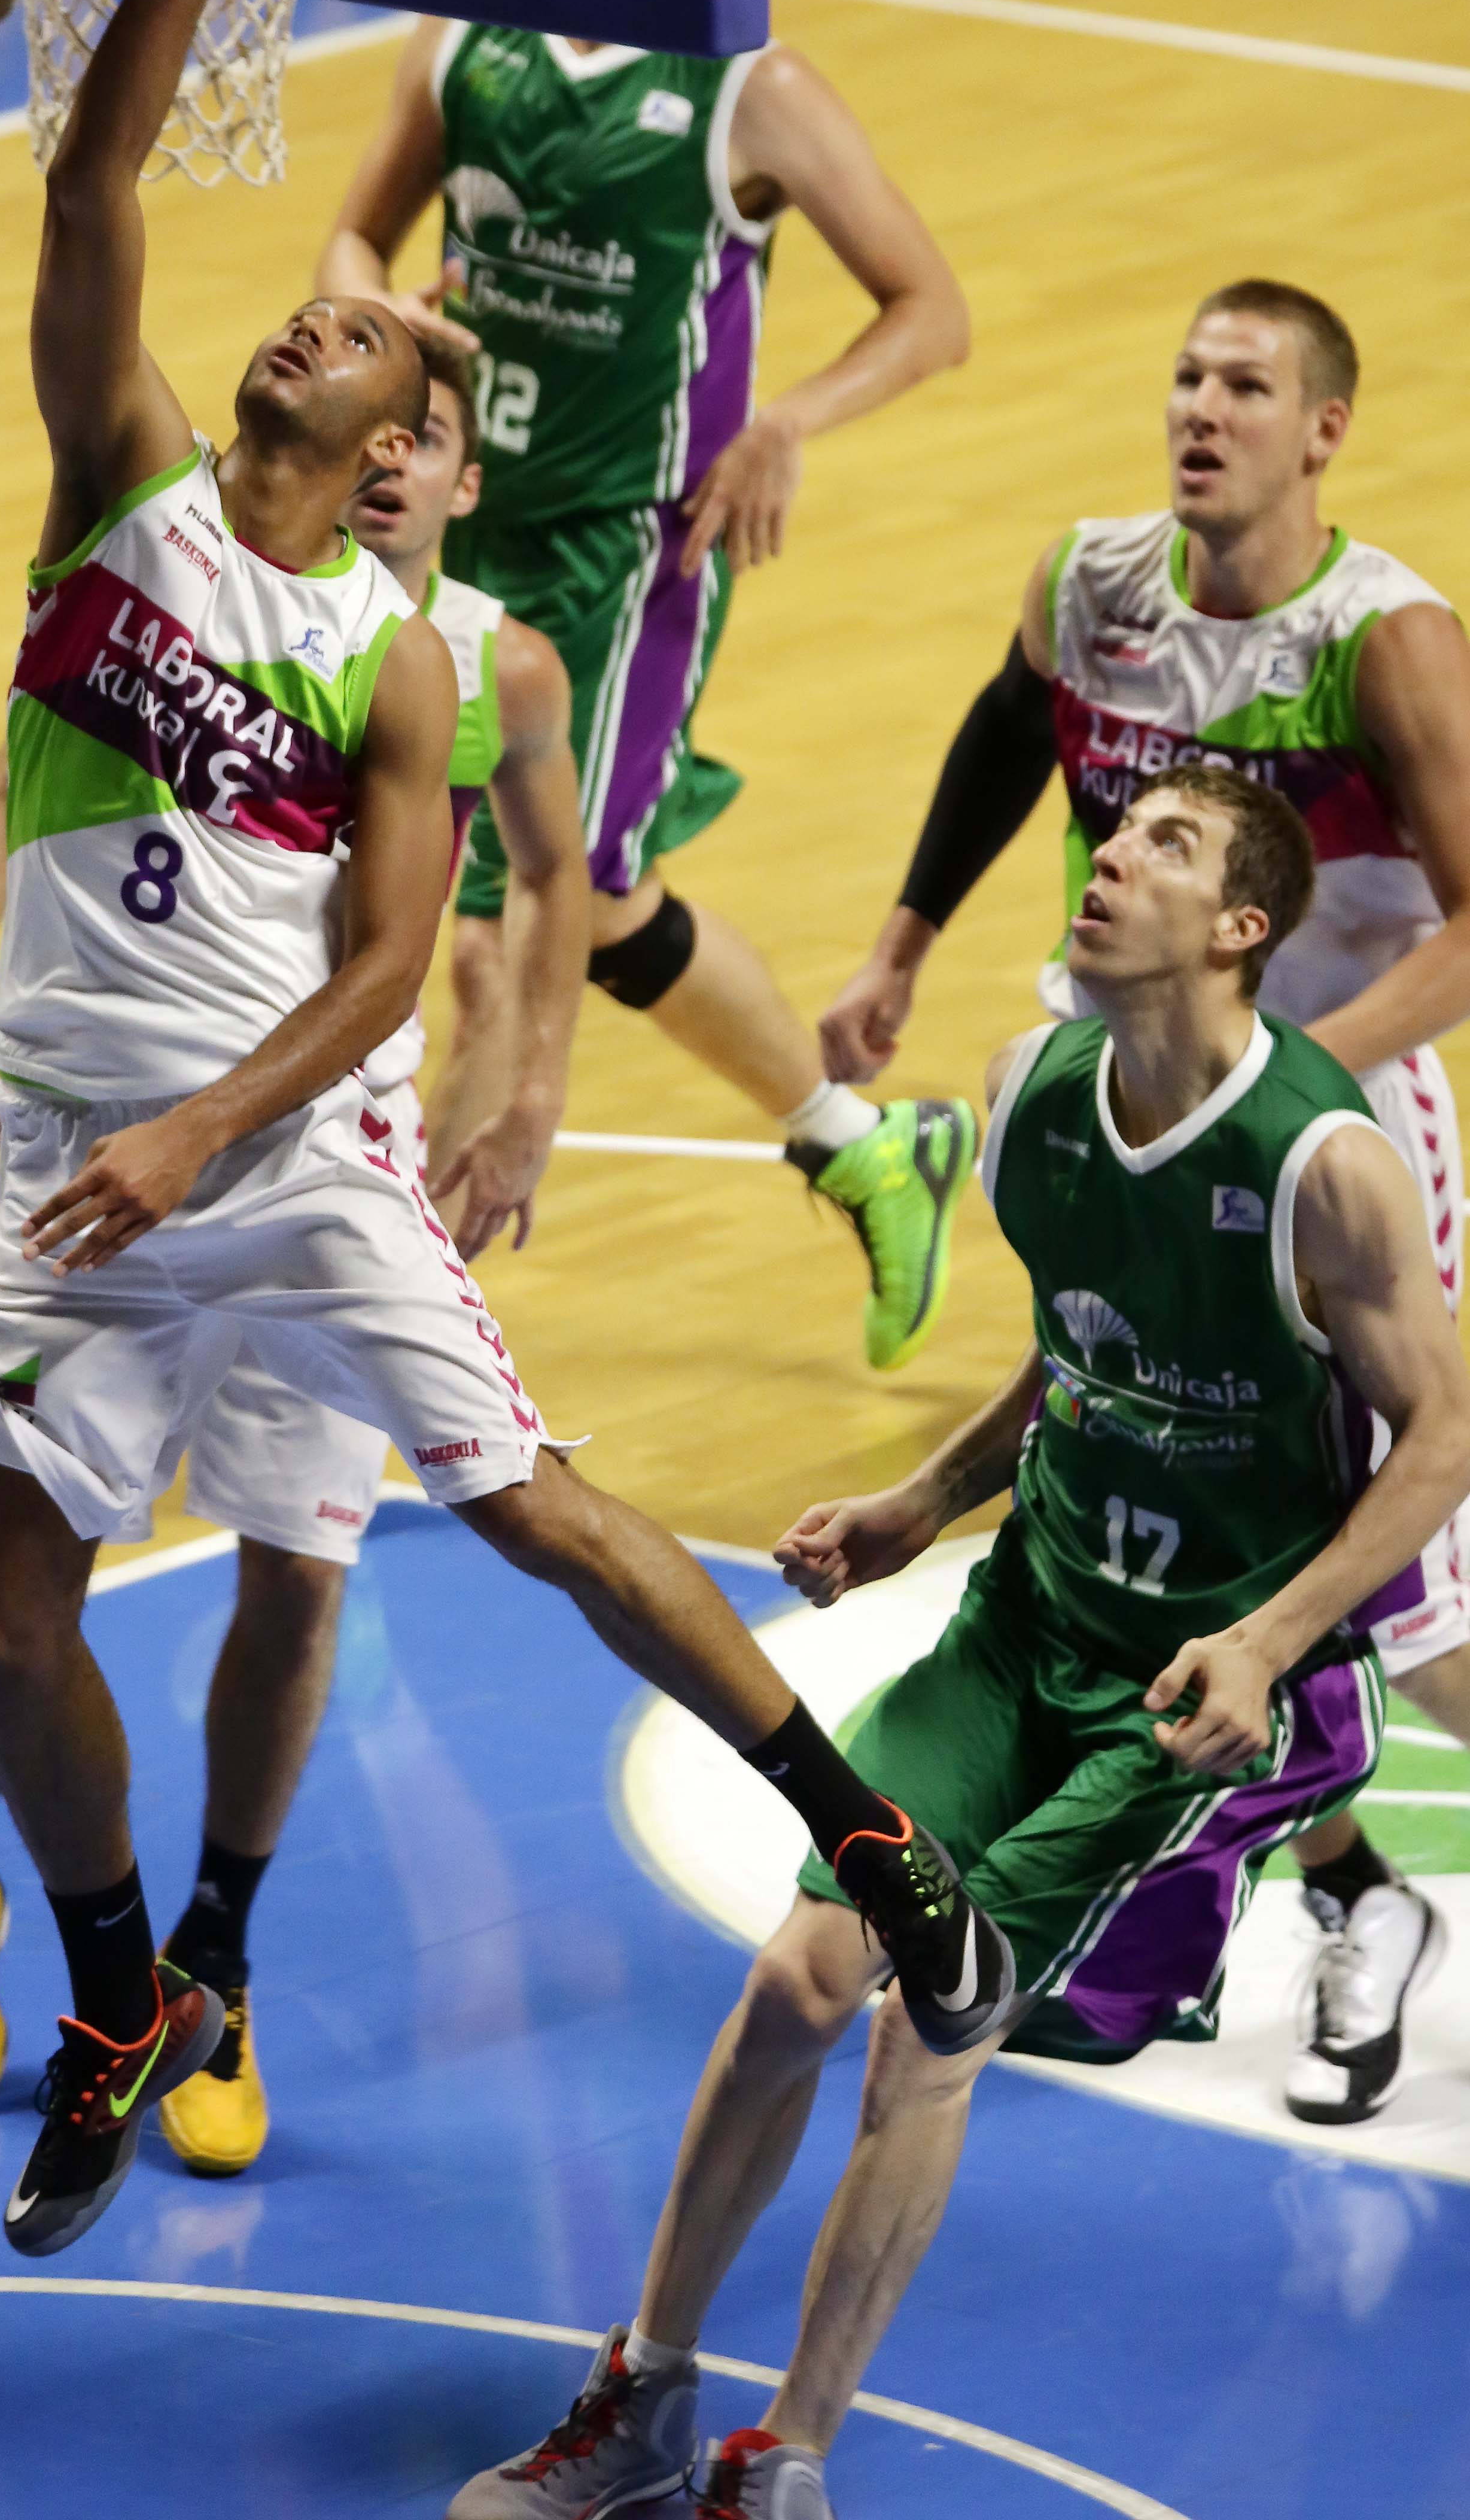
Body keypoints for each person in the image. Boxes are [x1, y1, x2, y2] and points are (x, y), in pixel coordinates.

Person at [0, 0, 1012, 2269]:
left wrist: (209, 1129)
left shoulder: (395, 660)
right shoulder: (121, 488)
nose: (304, 318)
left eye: (353, 338)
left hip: (288, 1158)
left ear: (405, 447)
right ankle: (120, 1999)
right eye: (310, 311)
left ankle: (876, 1844)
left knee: (537, 1510)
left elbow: (395, 967)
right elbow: (93, 180)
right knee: (3, 1633)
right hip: (79, 1172)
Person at [455, 764, 1470, 2519]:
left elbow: (1444, 1435)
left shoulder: (1325, 1165)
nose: (1112, 854)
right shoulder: (1031, 1095)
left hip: (1187, 1698)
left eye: (1165, 846)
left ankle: (790, 2460)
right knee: (798, 1982)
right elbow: (1080, 1341)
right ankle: (645, 2400)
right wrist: (926, 1497)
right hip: (1024, 1629)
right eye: (1119, 830)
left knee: (932, 2024)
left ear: (1241, 928)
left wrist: (1269, 1639)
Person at [0, 329, 592, 2175]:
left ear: (448, 475)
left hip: (312, 1176)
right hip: (116, 1147)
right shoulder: (190, 558)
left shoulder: (486, 667)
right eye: (380, 426)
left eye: (424, 438)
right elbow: (7, 778)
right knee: (18, 1579)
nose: (392, 460)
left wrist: (524, 1088)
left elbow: (547, 887)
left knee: (298, 1573)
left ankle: (213, 1949)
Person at [822, 277, 1470, 2127]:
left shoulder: (1384, 641)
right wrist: (900, 944)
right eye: (1187, 375)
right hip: (1140, 1113)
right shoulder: (1093, 582)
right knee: (1184, 1531)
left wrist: (1277, 1086)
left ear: (1323, 431)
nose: (1202, 407)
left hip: (1327, 1133)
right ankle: (1357, 1895)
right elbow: (1001, 735)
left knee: (1408, 1612)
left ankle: (1351, 1891)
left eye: (1247, 385)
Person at [316, 0, 977, 1373]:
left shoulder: (753, 87)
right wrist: (387, 324)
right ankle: (866, 1145)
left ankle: (401, 1337)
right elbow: (350, 241)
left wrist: (787, 421)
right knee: (593, 907)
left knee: (497, 939)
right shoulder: (463, 43)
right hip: (451, 522)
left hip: (625, 555)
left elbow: (932, 309)